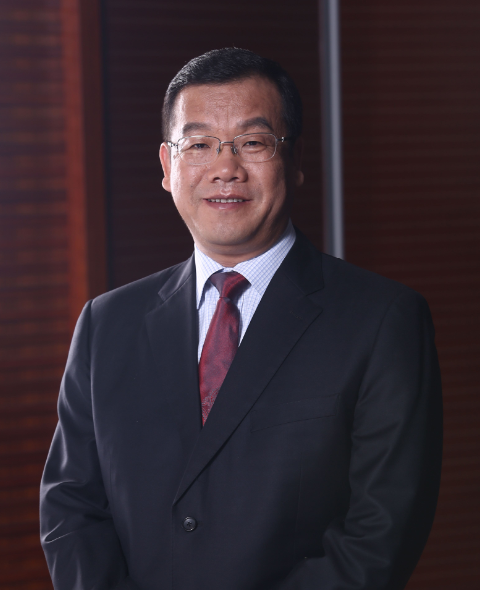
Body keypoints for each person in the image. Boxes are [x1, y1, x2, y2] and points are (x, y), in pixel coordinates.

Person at [40, 48, 442, 590]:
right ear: (167, 167)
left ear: (295, 159)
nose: (225, 168)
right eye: (199, 145)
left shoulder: (383, 321)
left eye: (253, 142)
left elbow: (378, 537)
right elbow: (71, 508)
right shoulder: (106, 324)